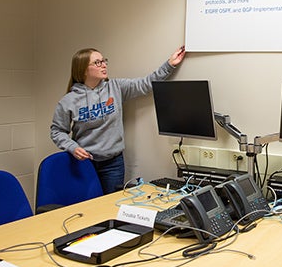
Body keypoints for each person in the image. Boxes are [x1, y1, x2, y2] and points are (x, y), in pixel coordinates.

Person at [50, 46, 186, 194]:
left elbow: (146, 84)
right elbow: (57, 131)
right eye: (97, 62)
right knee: (89, 207)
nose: (104, 65)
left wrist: (170, 64)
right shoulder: (69, 101)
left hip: (113, 164)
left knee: (110, 207)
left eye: (104, 61)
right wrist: (73, 147)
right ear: (83, 69)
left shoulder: (115, 87)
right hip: (84, 163)